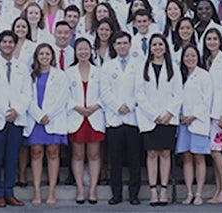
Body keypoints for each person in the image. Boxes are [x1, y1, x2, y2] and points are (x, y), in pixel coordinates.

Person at [0, 30, 32, 207]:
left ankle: (9, 192)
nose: (8, 44)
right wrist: (6, 110)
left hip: (16, 119)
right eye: (4, 42)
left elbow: (27, 92)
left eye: (11, 42)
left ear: (15, 44)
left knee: (12, 157)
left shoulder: (22, 67)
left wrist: (16, 110)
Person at [136, 34, 180, 206]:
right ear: (150, 48)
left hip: (168, 118)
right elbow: (139, 94)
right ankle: (153, 190)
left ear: (165, 47)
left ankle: (164, 190)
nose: (157, 47)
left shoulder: (173, 67)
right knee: (152, 153)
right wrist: (154, 115)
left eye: (160, 44)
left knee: (165, 153)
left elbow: (178, 94)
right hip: (150, 118)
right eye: (154, 44)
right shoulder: (143, 67)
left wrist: (169, 113)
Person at [101, 31, 144, 205]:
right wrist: (118, 106)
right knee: (115, 158)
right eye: (118, 43)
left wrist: (130, 105)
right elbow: (105, 92)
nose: (122, 46)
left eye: (125, 43)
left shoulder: (139, 64)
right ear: (114, 46)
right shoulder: (108, 66)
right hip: (115, 118)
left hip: (133, 118)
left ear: (130, 44)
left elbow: (141, 89)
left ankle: (134, 194)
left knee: (134, 158)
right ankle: (116, 194)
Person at [26, 43, 70, 205]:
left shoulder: (60, 75)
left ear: (52, 56)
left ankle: (52, 191)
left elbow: (63, 97)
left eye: (47, 54)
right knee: (36, 152)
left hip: (53, 117)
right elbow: (28, 98)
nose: (44, 57)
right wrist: (39, 115)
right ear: (37, 57)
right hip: (36, 119)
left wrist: (48, 114)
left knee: (53, 152)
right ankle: (37, 191)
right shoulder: (30, 75)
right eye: (41, 54)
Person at [67, 38, 104, 205]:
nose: (83, 52)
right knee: (78, 154)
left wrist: (95, 106)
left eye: (86, 49)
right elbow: (64, 95)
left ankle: (93, 189)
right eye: (80, 49)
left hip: (94, 116)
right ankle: (81, 190)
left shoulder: (100, 71)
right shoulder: (69, 72)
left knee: (94, 155)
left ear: (91, 51)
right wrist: (77, 107)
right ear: (75, 52)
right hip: (77, 116)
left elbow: (106, 93)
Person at [175, 44, 212, 205]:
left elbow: (207, 100)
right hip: (182, 123)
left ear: (198, 57)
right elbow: (175, 96)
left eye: (193, 56)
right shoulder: (178, 75)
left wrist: (193, 116)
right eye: (187, 56)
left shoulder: (204, 75)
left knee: (199, 157)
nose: (190, 59)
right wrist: (180, 116)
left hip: (198, 122)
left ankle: (199, 193)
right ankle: (189, 192)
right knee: (187, 157)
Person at [202, 28, 222, 204]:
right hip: (209, 112)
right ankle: (219, 189)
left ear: (220, 41)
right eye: (209, 38)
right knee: (214, 152)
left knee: (216, 151)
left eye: (215, 38)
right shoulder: (207, 60)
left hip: (220, 114)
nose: (212, 41)